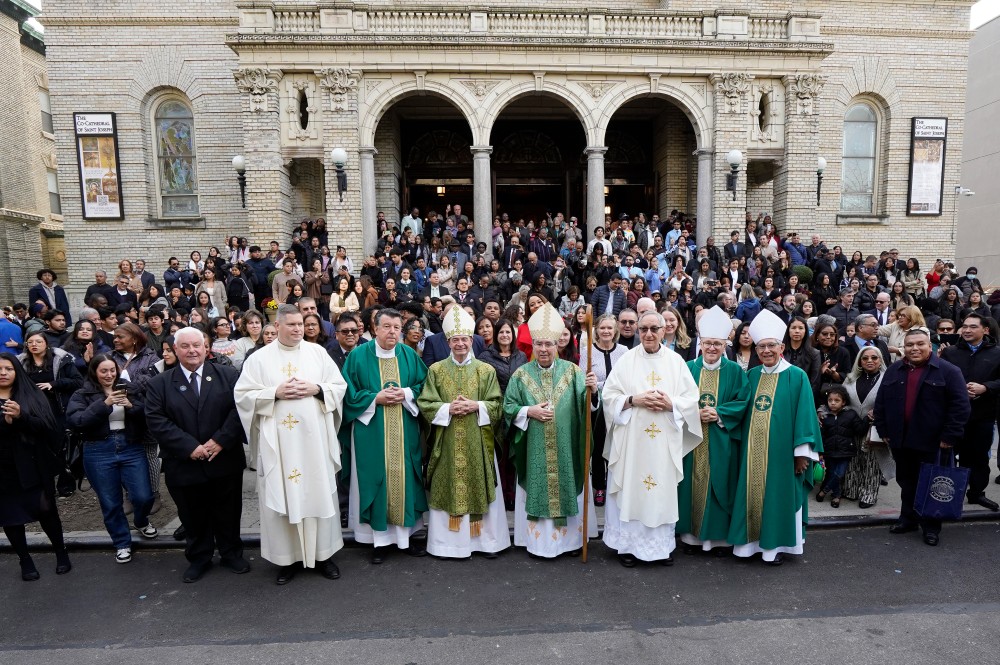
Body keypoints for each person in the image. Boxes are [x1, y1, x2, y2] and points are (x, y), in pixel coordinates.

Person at [235, 305, 348, 583]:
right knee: (283, 495)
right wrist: (274, 392)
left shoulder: (318, 353)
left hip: (314, 444)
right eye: (292, 325)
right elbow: (243, 396)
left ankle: (323, 554)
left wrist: (318, 389)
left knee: (317, 491)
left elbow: (338, 386)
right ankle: (287, 559)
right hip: (281, 448)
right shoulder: (259, 359)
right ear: (278, 326)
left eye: (301, 324)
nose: (298, 329)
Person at [145, 328, 249, 583]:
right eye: (185, 346)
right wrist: (190, 447)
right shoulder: (159, 383)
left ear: (206, 348)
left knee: (228, 510)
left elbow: (240, 411)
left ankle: (231, 553)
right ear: (175, 350)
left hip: (223, 458)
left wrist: (219, 441)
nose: (192, 350)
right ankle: (199, 557)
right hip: (184, 462)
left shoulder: (228, 375)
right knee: (192, 514)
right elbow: (156, 420)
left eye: (197, 345)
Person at [600, 310, 702, 567]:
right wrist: (634, 400)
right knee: (632, 488)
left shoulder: (676, 361)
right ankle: (628, 548)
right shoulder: (626, 360)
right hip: (633, 442)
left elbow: (691, 399)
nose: (648, 334)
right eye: (643, 329)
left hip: (663, 443)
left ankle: (660, 548)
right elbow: (609, 397)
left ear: (663, 330)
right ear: (637, 331)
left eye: (653, 329)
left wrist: (671, 404)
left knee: (661, 490)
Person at [502, 303, 599, 558]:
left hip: (566, 446)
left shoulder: (574, 372)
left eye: (549, 344)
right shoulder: (520, 375)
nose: (544, 349)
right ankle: (538, 544)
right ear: (532, 346)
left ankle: (567, 544)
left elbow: (587, 408)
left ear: (558, 346)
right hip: (533, 447)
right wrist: (528, 412)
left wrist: (594, 391)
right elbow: (508, 407)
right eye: (539, 344)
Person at [728, 310, 823, 565]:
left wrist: (802, 453)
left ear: (781, 347)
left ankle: (776, 547)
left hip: (783, 455)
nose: (766, 351)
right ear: (756, 349)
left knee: (779, 497)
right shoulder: (752, 375)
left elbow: (805, 416)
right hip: (752, 453)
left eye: (771, 346)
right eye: (761, 347)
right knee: (750, 495)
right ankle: (749, 545)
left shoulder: (796, 376)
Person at [417, 307, 509, 559]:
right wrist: (448, 408)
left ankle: (486, 543)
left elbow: (497, 405)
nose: (460, 343)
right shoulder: (435, 370)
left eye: (464, 339)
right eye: (455, 339)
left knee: (479, 481)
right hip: (447, 441)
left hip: (477, 440)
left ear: (472, 341)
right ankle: (448, 545)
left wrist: (475, 405)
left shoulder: (485, 370)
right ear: (448, 342)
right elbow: (425, 403)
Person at [342, 308, 429, 564]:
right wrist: (374, 398)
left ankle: (406, 538)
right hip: (371, 431)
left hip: (404, 428)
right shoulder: (358, 356)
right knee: (376, 480)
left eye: (396, 327)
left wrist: (408, 394)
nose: (393, 332)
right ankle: (378, 541)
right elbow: (346, 392)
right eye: (387, 327)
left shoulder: (409, 355)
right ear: (375, 329)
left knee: (405, 479)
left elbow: (424, 385)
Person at [875, 327, 971, 546]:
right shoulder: (894, 370)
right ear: (904, 347)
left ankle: (931, 527)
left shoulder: (948, 371)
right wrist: (884, 431)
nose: (914, 348)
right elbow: (881, 402)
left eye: (920, 344)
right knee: (906, 481)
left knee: (931, 484)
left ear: (930, 346)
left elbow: (960, 407)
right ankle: (907, 518)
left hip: (934, 442)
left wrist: (950, 436)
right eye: (909, 345)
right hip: (901, 440)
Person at [66, 354, 157, 564]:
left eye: (112, 370)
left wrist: (131, 407)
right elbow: (78, 421)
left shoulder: (130, 388)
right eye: (103, 371)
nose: (109, 375)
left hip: (130, 445)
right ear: (94, 372)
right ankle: (122, 542)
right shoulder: (83, 393)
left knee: (144, 496)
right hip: (98, 449)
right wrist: (104, 403)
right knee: (110, 501)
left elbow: (149, 414)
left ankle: (141, 520)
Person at [678, 307, 750, 554]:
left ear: (725, 345)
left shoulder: (735, 372)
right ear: (701, 343)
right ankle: (690, 538)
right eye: (708, 343)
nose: (712, 348)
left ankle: (718, 539)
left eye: (717, 344)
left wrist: (719, 413)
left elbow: (743, 401)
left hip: (721, 440)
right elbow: (675, 399)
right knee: (689, 484)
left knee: (720, 485)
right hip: (691, 440)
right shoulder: (686, 368)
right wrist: (694, 413)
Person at [0, 353, 71, 581]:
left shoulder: (31, 394)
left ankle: (61, 552)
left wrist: (21, 417)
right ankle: (25, 559)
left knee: (46, 511)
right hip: (3, 470)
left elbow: (48, 429)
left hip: (34, 465)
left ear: (16, 371)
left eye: (8, 369)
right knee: (11, 517)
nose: (3, 373)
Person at [940, 313, 1000, 512]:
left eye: (972, 327)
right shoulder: (951, 353)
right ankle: (948, 494)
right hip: (954, 416)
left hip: (983, 415)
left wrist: (986, 387)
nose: (966, 330)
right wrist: (959, 390)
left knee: (979, 457)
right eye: (964, 326)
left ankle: (976, 493)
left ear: (985, 330)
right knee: (948, 457)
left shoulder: (997, 353)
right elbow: (941, 379)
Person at [578, 313, 628, 507]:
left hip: (619, 406)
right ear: (596, 330)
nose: (606, 331)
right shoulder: (588, 351)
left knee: (619, 445)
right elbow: (584, 379)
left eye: (609, 328)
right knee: (598, 447)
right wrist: (598, 386)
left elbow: (626, 378)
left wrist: (604, 385)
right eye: (602, 328)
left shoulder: (623, 351)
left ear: (615, 330)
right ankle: (599, 486)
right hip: (597, 407)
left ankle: (618, 482)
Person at [841, 347, 891, 509]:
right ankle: (851, 490)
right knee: (852, 461)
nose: (870, 361)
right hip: (851, 427)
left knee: (871, 463)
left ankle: (868, 495)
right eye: (865, 358)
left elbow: (894, 402)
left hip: (873, 428)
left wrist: (880, 411)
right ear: (860, 361)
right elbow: (840, 399)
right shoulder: (850, 379)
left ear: (880, 360)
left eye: (874, 358)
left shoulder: (887, 379)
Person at [815, 386, 868, 508]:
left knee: (839, 473)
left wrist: (867, 419)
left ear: (843, 402)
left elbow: (860, 429)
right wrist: (820, 452)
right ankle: (836, 497)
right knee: (833, 473)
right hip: (830, 451)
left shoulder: (850, 414)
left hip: (845, 451)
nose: (833, 403)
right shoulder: (824, 416)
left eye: (837, 400)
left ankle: (824, 491)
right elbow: (821, 435)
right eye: (830, 400)